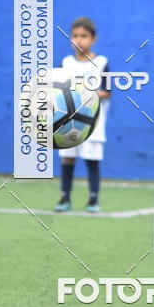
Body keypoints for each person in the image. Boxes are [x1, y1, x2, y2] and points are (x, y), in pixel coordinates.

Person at [54, 17, 111, 213]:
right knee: (67, 159)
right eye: (75, 35)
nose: (79, 40)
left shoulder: (101, 62)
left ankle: (93, 200)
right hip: (67, 122)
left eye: (84, 36)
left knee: (91, 160)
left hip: (92, 123)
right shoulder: (66, 62)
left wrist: (85, 93)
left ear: (93, 39)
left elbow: (107, 92)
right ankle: (65, 198)